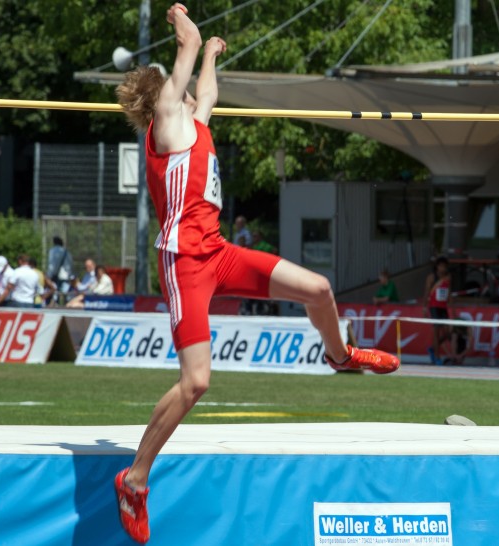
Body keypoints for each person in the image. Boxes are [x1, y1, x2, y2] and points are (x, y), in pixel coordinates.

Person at [114, 5, 399, 542]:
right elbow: (187, 51)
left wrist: (214, 56)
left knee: (318, 289)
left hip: (218, 251)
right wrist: (184, 25)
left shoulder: (194, 122)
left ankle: (339, 356)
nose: (195, 92)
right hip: (184, 264)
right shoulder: (166, 119)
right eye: (181, 85)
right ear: (164, 97)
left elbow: (209, 92)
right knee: (197, 381)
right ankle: (134, 478)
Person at [424, 256, 451, 366]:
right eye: (441, 266)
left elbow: (450, 293)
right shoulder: (432, 277)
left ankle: (432, 348)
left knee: (447, 333)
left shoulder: (448, 278)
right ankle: (437, 357)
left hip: (443, 307)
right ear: (437, 267)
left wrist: (452, 309)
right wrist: (424, 307)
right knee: (436, 332)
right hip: (434, 307)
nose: (442, 269)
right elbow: (426, 292)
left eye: (445, 266)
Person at [46, 236, 74, 300]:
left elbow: (52, 264)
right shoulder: (66, 251)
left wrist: (49, 275)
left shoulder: (53, 251)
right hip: (66, 275)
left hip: (57, 275)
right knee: (65, 294)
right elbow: (70, 264)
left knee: (56, 294)